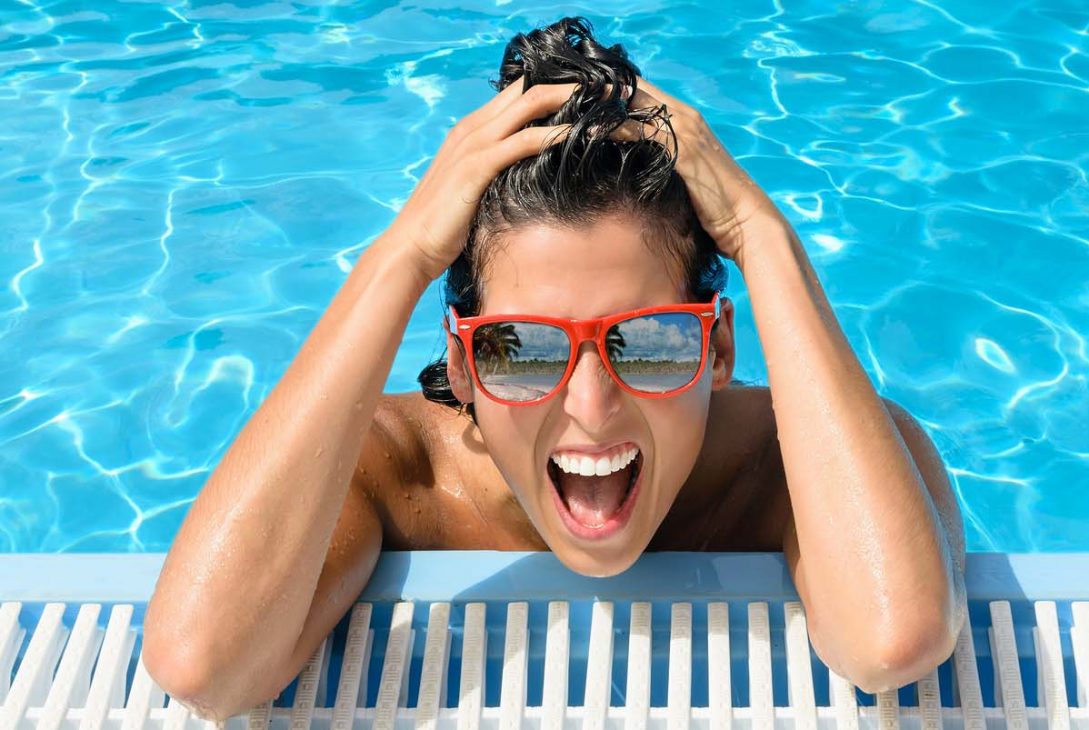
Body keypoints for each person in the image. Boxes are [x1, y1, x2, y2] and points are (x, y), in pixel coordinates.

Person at [142, 16, 967, 722]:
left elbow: (891, 645)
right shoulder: (394, 475)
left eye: (648, 340)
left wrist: (762, 235)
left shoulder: (798, 464)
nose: (591, 407)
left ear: (716, 349)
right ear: (460, 365)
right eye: (519, 347)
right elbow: (207, 671)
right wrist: (402, 255)